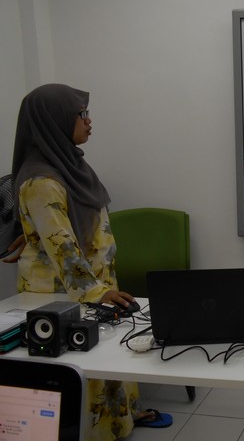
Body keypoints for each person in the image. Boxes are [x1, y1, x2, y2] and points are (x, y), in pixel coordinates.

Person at [9, 84, 171, 439]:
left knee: (107, 357)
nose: (88, 120)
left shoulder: (66, 164)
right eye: (80, 114)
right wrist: (97, 292)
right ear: (54, 121)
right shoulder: (41, 180)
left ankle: (123, 418)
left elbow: (61, 225)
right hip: (64, 294)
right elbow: (63, 249)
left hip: (91, 284)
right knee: (85, 363)